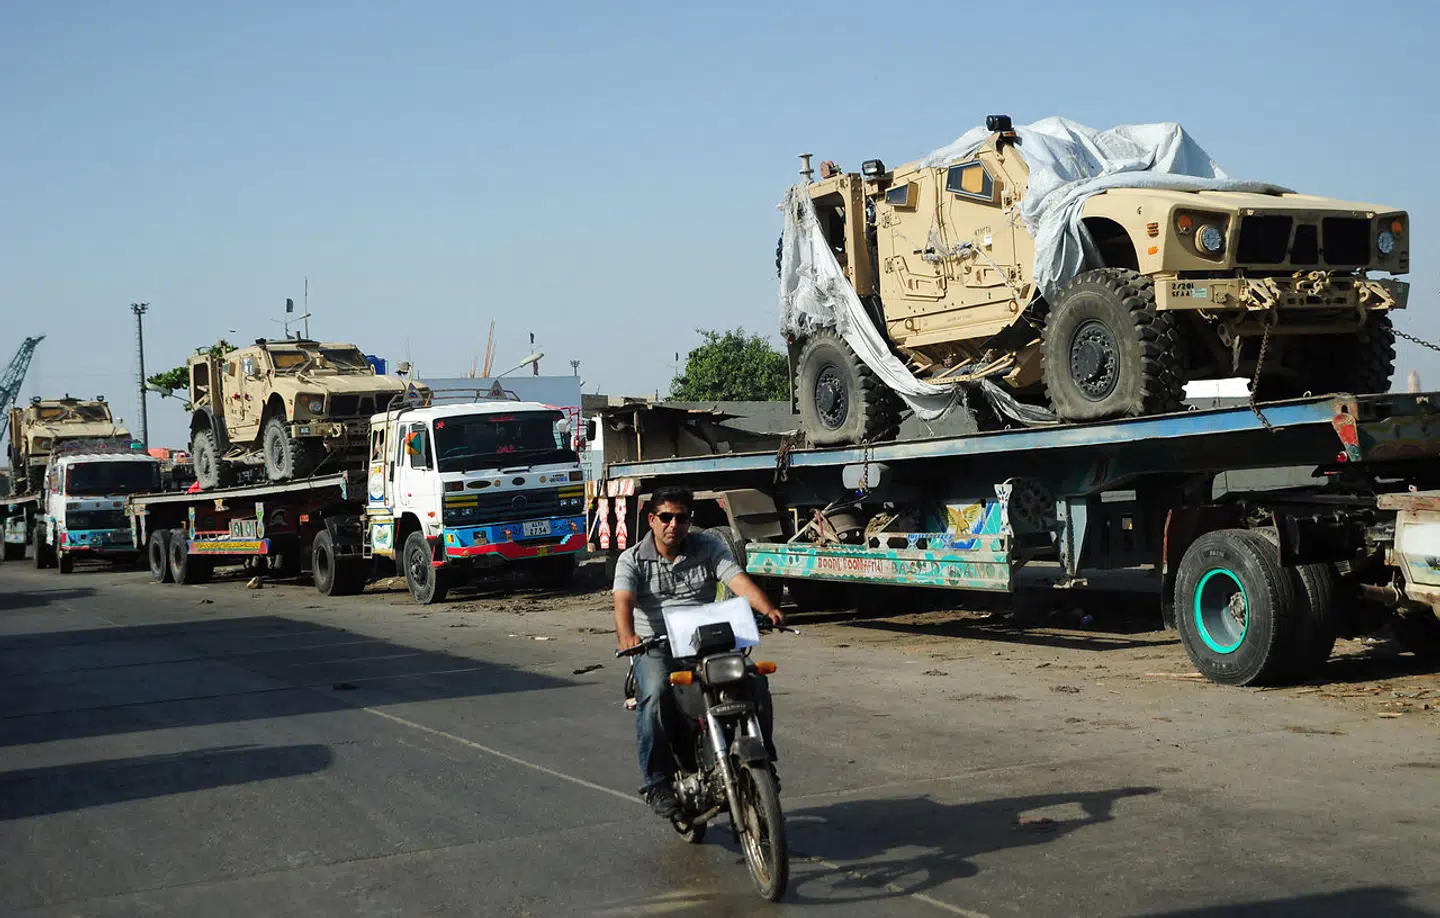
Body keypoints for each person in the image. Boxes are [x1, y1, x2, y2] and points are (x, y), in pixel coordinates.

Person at [612, 486, 785, 816]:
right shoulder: (631, 559)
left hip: (704, 640)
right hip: (657, 645)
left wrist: (768, 608)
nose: (673, 525)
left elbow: (736, 579)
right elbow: (623, 601)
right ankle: (656, 781)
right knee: (656, 695)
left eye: (681, 518)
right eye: (666, 517)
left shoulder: (709, 546)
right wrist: (627, 636)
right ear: (652, 520)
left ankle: (764, 756)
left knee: (754, 681)